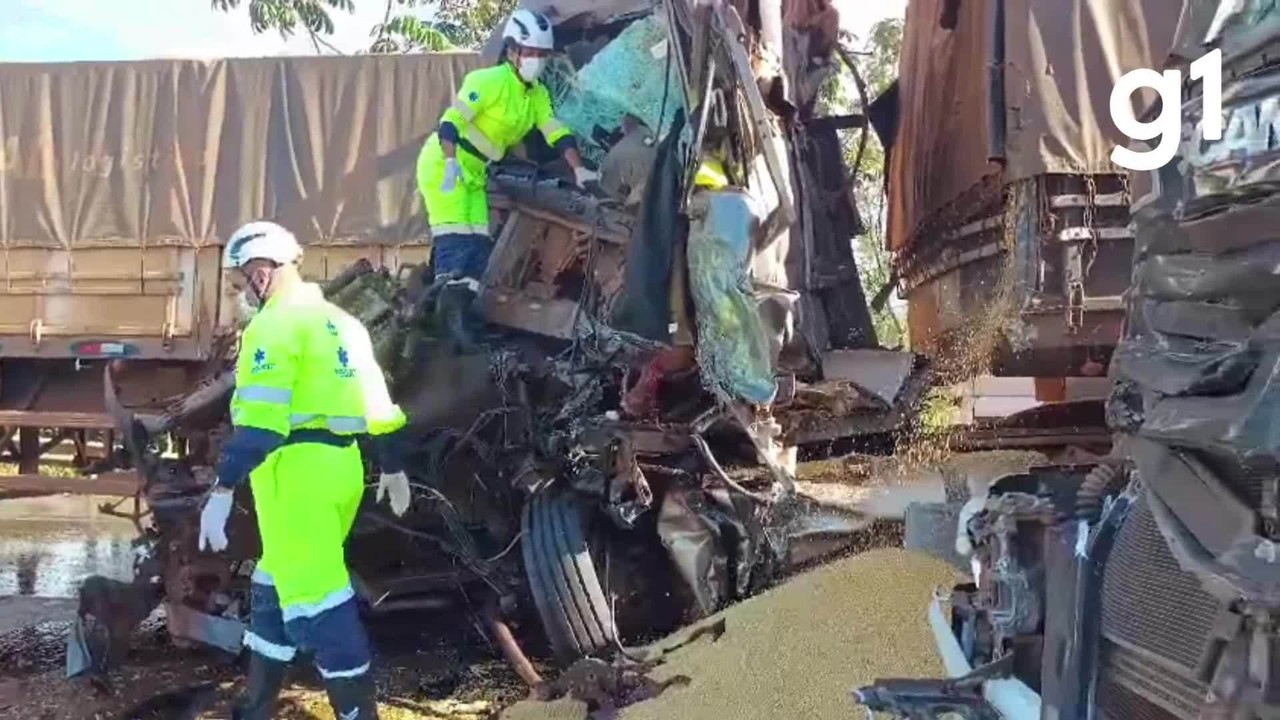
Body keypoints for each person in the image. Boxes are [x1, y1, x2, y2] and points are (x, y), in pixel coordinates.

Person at [199, 220, 413, 720]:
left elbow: (262, 426)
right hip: (339, 469)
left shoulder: (273, 328)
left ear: (261, 273)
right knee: (274, 581)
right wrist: (394, 466)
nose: (243, 290)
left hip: (294, 477)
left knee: (321, 601)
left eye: (242, 279)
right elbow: (379, 406)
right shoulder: (342, 323)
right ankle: (254, 706)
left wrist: (222, 490)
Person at [417, 8, 599, 348]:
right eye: (531, 53)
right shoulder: (487, 82)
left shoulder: (537, 95)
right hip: (447, 164)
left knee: (478, 248)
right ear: (513, 51)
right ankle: (448, 329)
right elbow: (450, 124)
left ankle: (462, 323)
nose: (537, 60)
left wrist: (578, 168)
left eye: (543, 55)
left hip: (475, 171)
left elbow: (556, 133)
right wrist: (451, 162)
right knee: (457, 245)